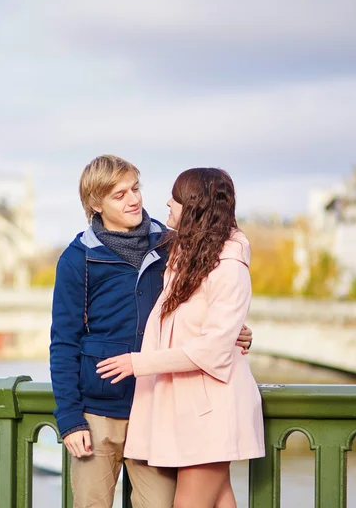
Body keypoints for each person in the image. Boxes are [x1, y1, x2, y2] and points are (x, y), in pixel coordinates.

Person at [50, 157, 254, 508]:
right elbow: (64, 342)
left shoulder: (174, 245)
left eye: (135, 188)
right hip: (99, 412)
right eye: (119, 195)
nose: (134, 200)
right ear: (95, 204)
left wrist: (233, 330)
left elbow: (206, 302)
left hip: (159, 407)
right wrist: (69, 418)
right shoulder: (78, 259)